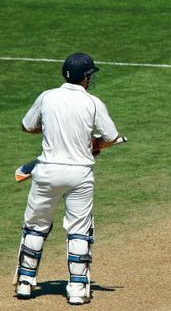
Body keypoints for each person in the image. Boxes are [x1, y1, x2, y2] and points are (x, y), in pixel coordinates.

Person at [13, 52, 122, 305]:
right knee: (79, 230)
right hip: (79, 174)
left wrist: (52, 129)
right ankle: (77, 288)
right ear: (84, 77)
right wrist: (92, 143)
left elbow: (27, 126)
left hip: (46, 172)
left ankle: (25, 283)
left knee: (36, 226)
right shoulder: (93, 102)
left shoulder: (47, 97)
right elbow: (112, 137)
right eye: (90, 75)